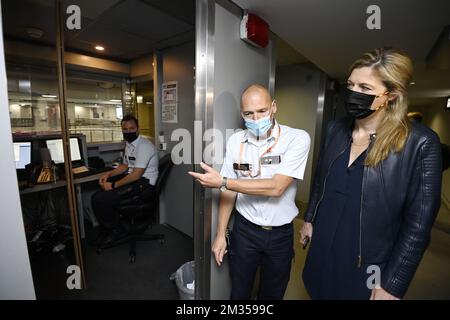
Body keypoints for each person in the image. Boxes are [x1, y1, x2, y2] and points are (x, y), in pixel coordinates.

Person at [300, 47, 442, 300]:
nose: (353, 93)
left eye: (365, 88)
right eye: (351, 84)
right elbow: (321, 179)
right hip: (324, 244)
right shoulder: (336, 129)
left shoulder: (420, 143)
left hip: (366, 262)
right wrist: (310, 218)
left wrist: (393, 284)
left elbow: (418, 225)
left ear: (391, 95)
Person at [188, 84, 311, 299]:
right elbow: (228, 192)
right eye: (249, 114)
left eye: (262, 111)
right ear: (242, 114)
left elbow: (277, 187)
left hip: (280, 234)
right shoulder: (237, 141)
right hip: (245, 232)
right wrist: (220, 235)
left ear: (274, 107)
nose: (256, 119)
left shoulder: (297, 138)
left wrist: (224, 181)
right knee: (239, 291)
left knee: (272, 294)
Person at [91, 114, 159, 245]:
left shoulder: (144, 146)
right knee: (99, 194)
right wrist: (109, 175)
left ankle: (116, 230)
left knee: (99, 198)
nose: (128, 132)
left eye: (131, 128)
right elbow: (125, 166)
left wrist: (113, 185)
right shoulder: (129, 144)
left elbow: (136, 175)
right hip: (136, 180)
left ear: (138, 129)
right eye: (125, 129)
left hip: (144, 185)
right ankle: (112, 227)